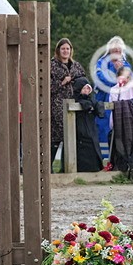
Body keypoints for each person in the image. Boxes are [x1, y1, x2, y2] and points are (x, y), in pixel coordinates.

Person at [49, 38, 86, 168]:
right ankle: (49, 167)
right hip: (56, 105)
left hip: (74, 105)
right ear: (58, 50)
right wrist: (62, 82)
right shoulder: (51, 65)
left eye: (67, 49)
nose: (65, 51)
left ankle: (67, 168)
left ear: (71, 51)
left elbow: (84, 81)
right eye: (63, 48)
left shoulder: (76, 66)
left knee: (70, 137)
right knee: (55, 138)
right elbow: (46, 87)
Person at [94, 36, 131, 163]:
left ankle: (119, 160)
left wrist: (118, 71)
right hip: (103, 100)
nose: (116, 53)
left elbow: (128, 80)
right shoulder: (101, 62)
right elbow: (99, 78)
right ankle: (103, 160)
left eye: (118, 50)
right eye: (114, 50)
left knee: (120, 129)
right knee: (102, 129)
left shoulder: (125, 64)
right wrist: (115, 79)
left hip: (121, 102)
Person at [69, 76, 104, 172]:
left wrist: (98, 107)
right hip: (80, 128)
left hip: (91, 128)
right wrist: (84, 104)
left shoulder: (92, 99)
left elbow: (97, 106)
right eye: (83, 88)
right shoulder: (75, 99)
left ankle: (95, 168)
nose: (86, 90)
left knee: (93, 146)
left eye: (88, 88)